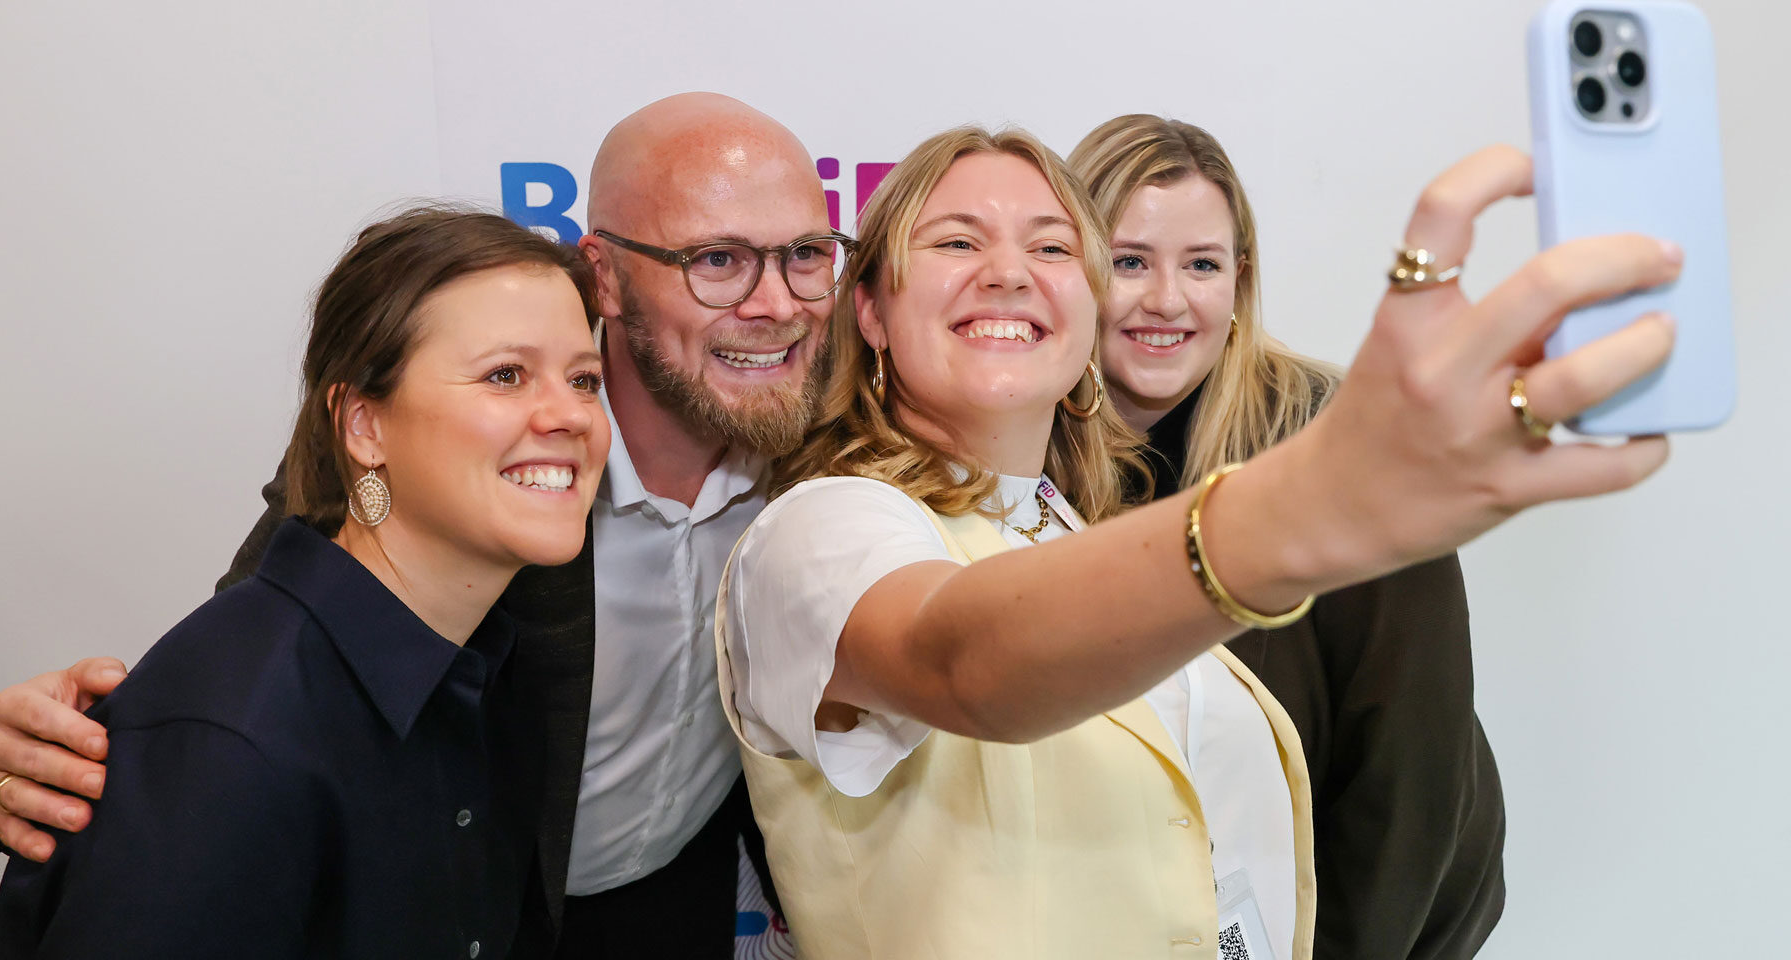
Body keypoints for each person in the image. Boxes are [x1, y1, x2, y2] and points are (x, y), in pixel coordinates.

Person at [715, 121, 1676, 959]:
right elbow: (961, 661)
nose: (1008, 271)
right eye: (957, 240)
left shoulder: (1066, 523)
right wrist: (1308, 504)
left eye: (1051, 247)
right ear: (872, 310)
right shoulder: (819, 530)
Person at [0, 92, 838, 958]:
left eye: (806, 254)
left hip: (669, 901)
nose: (774, 302)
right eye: (716, 259)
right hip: (497, 906)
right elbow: (268, 679)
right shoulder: (453, 463)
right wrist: (103, 763)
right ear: (604, 275)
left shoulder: (828, 427)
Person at [0, 207, 610, 958]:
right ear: (363, 425)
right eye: (505, 375)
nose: (572, 415)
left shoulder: (482, 674)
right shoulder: (234, 744)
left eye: (585, 380)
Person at [1070, 113, 1506, 958]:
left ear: (1239, 281)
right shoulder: (1027, 447)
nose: (1167, 300)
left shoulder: (1344, 446)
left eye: (1201, 264)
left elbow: (1408, 760)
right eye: (1130, 262)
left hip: (1352, 915)